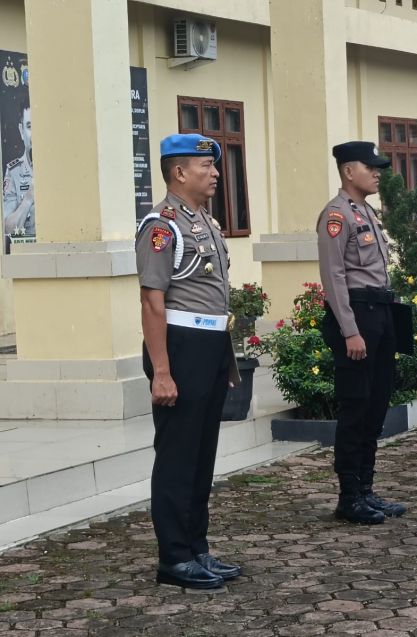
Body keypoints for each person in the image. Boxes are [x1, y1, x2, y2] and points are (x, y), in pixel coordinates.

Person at [136, 133, 241, 589]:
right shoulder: (163, 226)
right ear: (179, 172)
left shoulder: (206, 223)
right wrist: (162, 371)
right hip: (179, 349)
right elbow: (152, 303)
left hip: (210, 348)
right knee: (178, 457)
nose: (216, 172)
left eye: (214, 166)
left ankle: (197, 547)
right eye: (206, 166)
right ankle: (174, 559)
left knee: (201, 457)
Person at [317, 141, 407, 526]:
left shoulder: (365, 211)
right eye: (370, 167)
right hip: (358, 316)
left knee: (375, 405)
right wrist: (349, 330)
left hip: (381, 312)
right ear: (348, 171)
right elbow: (333, 276)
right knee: (356, 407)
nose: (377, 173)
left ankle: (366, 489)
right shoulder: (335, 215)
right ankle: (349, 496)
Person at [3, 97, 34, 237]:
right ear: (22, 131)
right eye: (30, 126)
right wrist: (28, 198)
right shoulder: (14, 172)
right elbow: (6, 229)